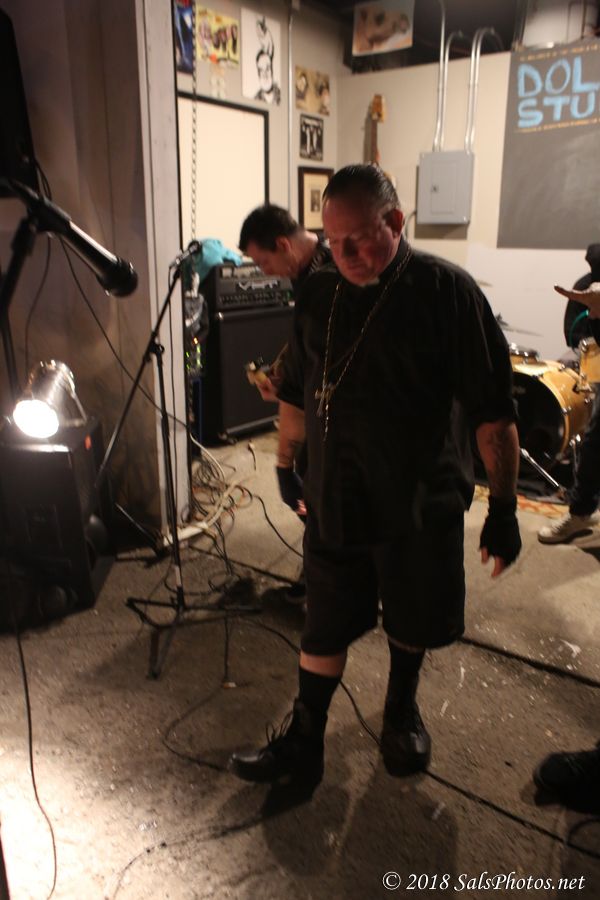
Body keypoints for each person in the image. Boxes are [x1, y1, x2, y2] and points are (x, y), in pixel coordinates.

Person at [229, 164, 521, 796]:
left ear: (395, 221)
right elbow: (298, 388)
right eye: (333, 242)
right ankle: (305, 741)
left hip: (418, 502)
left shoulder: (447, 293)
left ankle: (400, 710)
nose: (345, 256)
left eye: (359, 239)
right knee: (324, 620)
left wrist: (504, 509)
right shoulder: (319, 292)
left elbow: (494, 415)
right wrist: (286, 463)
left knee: (412, 616)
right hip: (336, 494)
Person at [239, 204, 331, 598]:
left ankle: (327, 591)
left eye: (264, 262)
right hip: (318, 407)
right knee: (311, 499)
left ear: (283, 244)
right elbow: (304, 346)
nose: (265, 272)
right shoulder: (306, 271)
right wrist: (284, 374)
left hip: (337, 418)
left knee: (316, 498)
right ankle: (319, 579)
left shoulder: (327, 278)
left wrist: (283, 463)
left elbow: (318, 363)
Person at [538, 249, 600, 543]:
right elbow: (572, 331)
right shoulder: (587, 285)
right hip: (591, 354)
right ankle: (581, 511)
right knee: (594, 439)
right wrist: (596, 315)